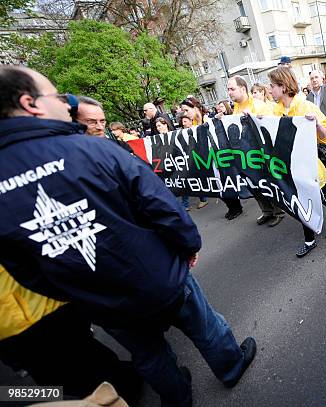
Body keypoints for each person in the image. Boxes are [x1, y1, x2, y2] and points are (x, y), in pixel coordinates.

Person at [0, 66, 256, 407]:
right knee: (204, 325)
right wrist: (188, 246)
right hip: (160, 277)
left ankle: (177, 397)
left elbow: (26, 271)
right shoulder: (94, 151)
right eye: (59, 97)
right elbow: (161, 205)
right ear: (30, 103)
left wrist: (78, 291)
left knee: (149, 356)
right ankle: (231, 365)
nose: (67, 104)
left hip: (105, 304)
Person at [0, 264, 143, 404]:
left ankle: (115, 390)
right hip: (41, 305)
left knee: (59, 369)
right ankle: (123, 390)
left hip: (17, 324)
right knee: (85, 356)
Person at [268, 66, 326, 257]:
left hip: (310, 168)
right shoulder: (276, 110)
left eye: (272, 86)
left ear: (283, 87)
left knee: (324, 198)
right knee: (299, 203)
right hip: (291, 169)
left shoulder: (305, 106)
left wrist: (316, 124)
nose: (270, 90)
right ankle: (309, 240)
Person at [226, 75, 284, 226]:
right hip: (247, 156)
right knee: (254, 184)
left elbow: (270, 126)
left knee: (268, 182)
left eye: (232, 89)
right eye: (228, 89)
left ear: (243, 89)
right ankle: (267, 211)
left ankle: (279, 211)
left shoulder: (258, 105)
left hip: (261, 153)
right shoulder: (236, 108)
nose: (229, 92)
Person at [179, 97, 211, 211]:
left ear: (195, 108)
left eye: (187, 110)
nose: (185, 114)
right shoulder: (194, 123)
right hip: (203, 158)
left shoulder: (207, 119)